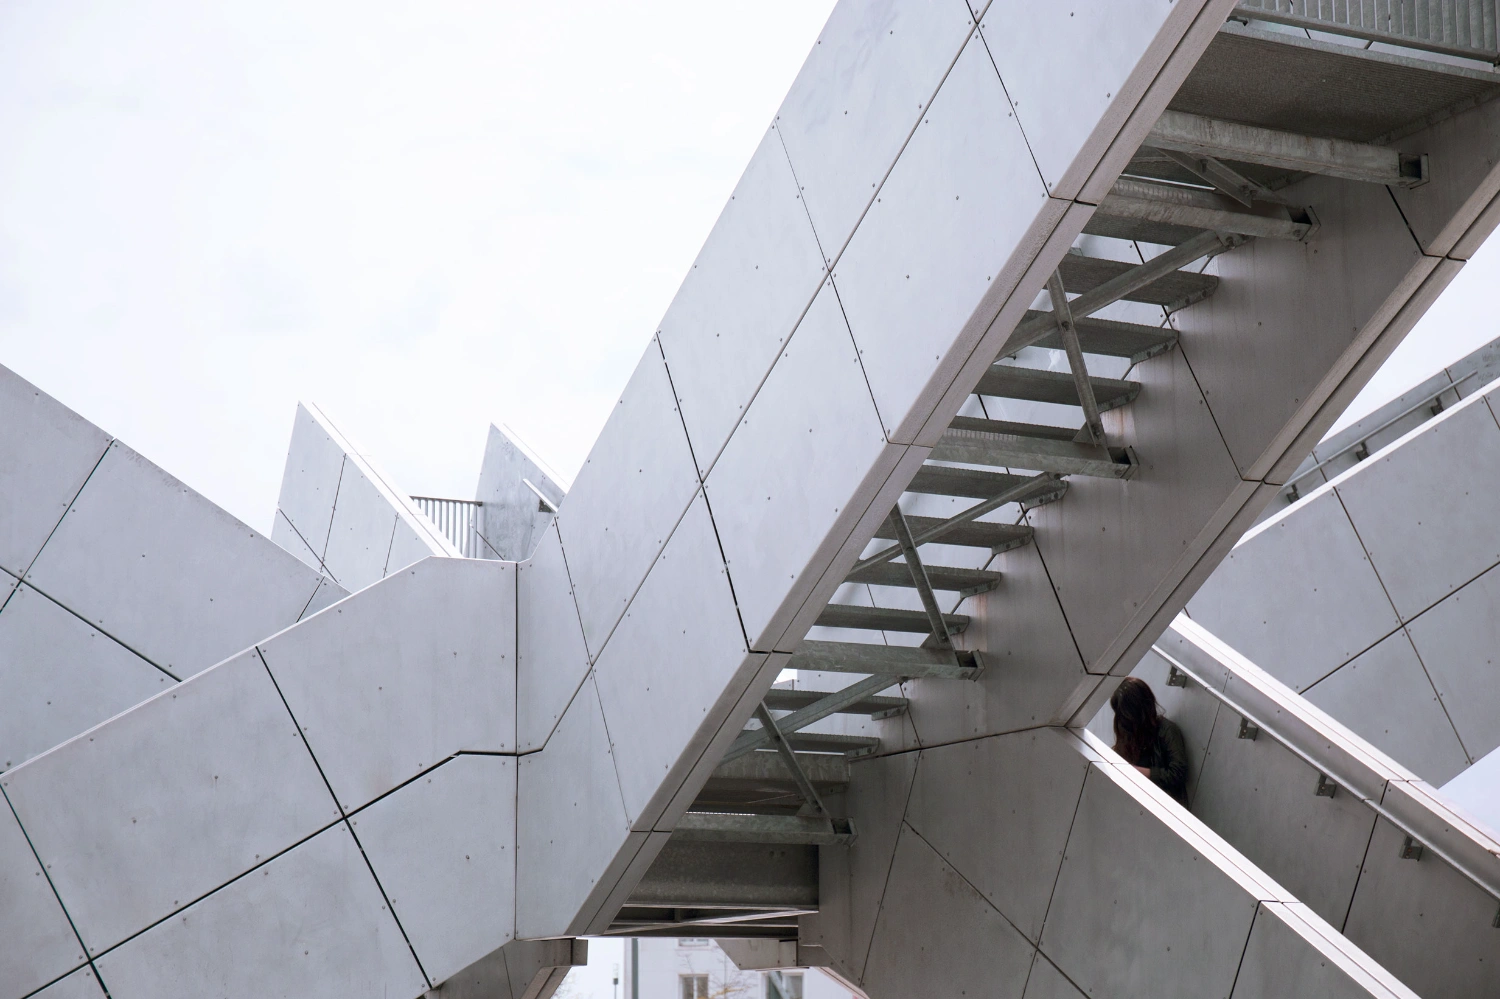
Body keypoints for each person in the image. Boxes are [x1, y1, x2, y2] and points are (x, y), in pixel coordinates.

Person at [1109, 676, 1189, 806]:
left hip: (1165, 807)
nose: (1121, 720)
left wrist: (1142, 772)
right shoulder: (1127, 733)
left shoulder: (1166, 730)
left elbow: (1178, 773)